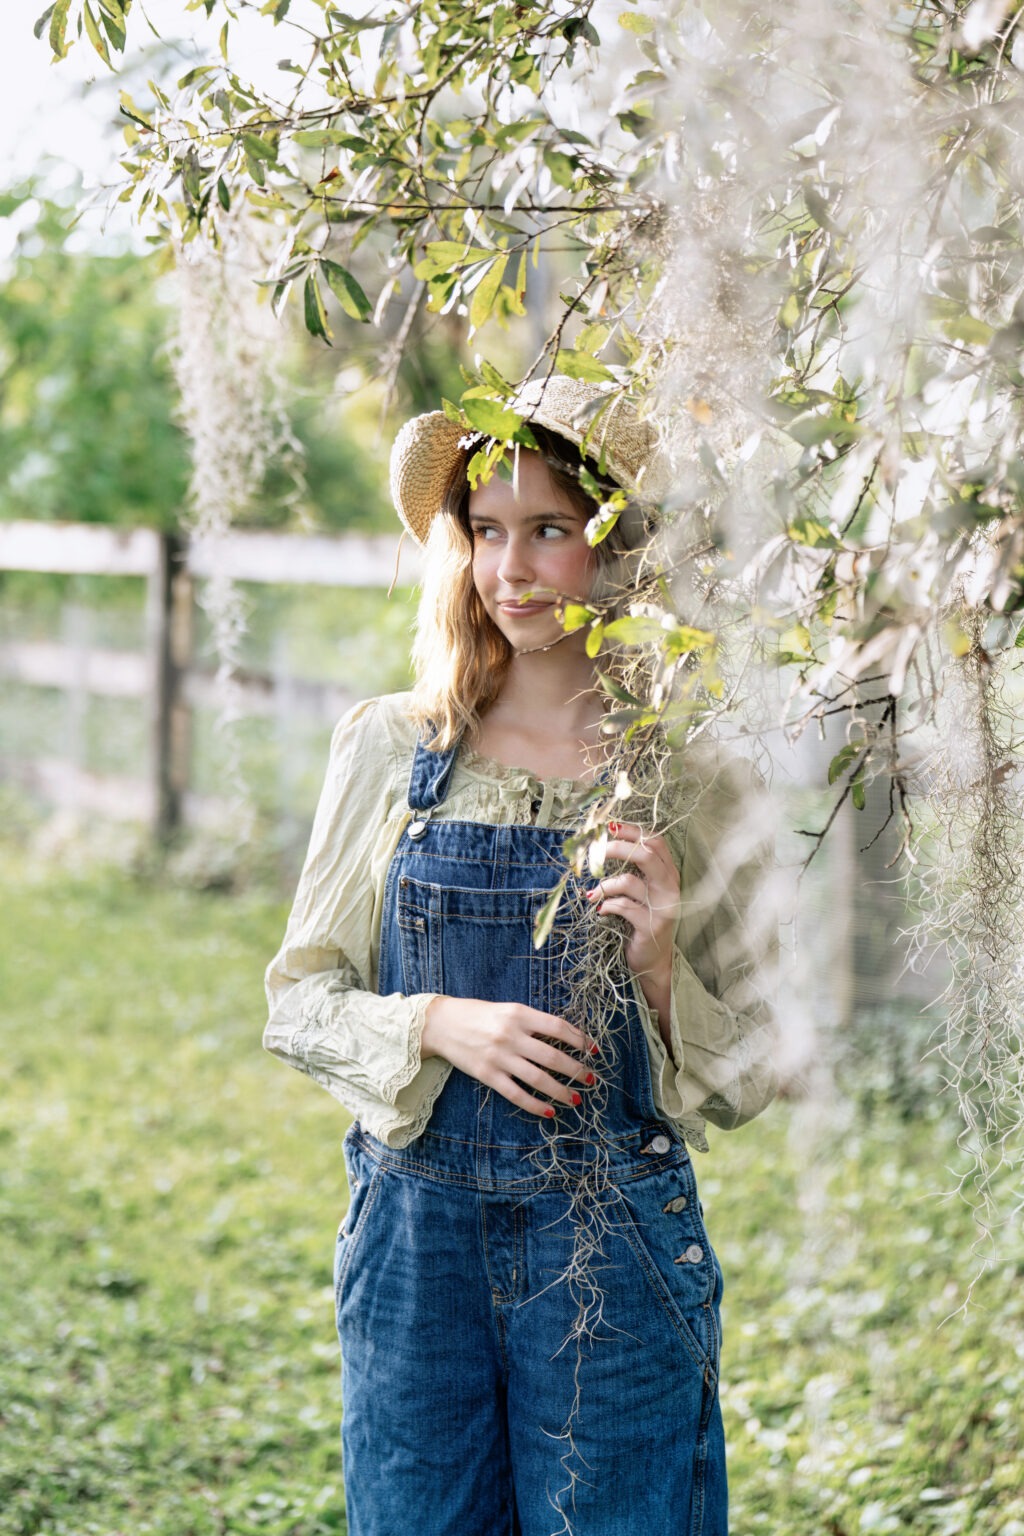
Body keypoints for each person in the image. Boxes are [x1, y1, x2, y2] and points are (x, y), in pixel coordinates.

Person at [263, 375, 778, 1536]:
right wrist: (438, 1022)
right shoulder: (395, 747)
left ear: (619, 543)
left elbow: (753, 1066)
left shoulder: (689, 774)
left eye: (550, 529)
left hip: (614, 1257)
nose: (510, 570)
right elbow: (299, 1001)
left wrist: (655, 964)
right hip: (416, 1251)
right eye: (485, 533)